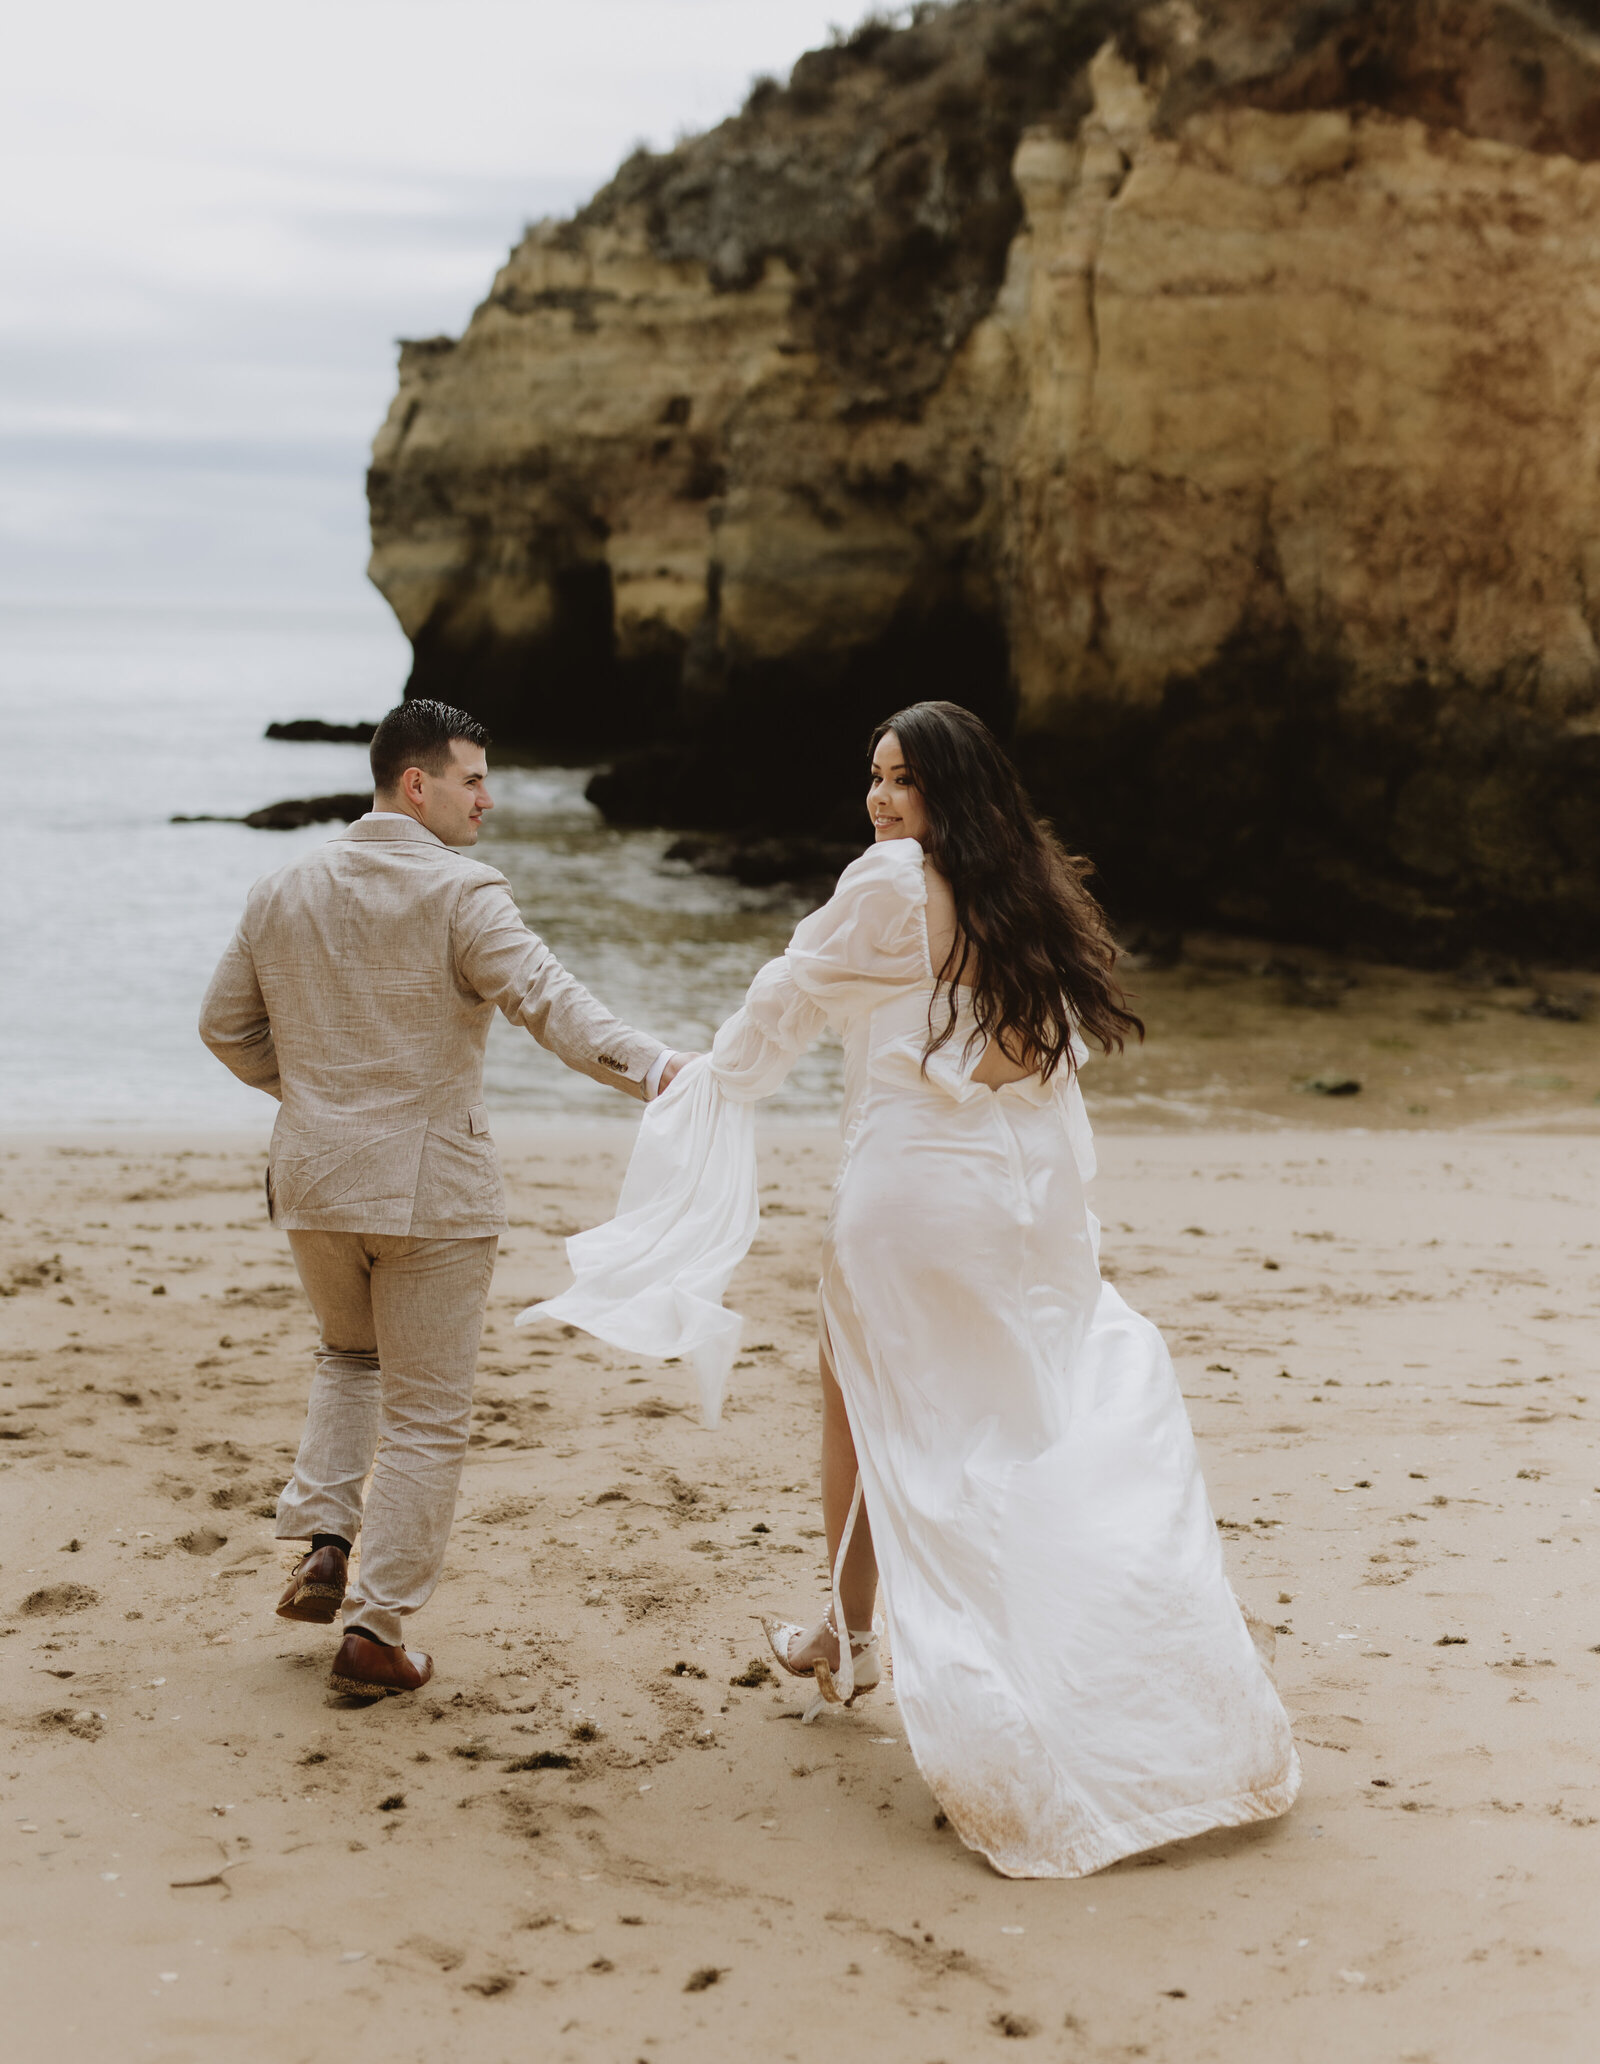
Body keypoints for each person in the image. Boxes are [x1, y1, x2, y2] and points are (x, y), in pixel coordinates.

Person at [527, 699, 1299, 1878]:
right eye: (874, 777)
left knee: (916, 1436)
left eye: (904, 780)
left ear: (950, 790)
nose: (883, 800)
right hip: (1013, 1200)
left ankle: (932, 1660)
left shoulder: (893, 885)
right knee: (885, 1402)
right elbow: (1044, 1049)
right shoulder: (1021, 886)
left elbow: (787, 992)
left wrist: (703, 1080)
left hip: (907, 1203)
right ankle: (840, 1635)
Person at [200, 698, 685, 1698]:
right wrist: (661, 1071)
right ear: (415, 784)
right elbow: (551, 1004)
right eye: (472, 779)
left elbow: (223, 1027)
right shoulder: (462, 892)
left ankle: (326, 1538)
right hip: (430, 1192)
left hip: (315, 1182)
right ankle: (375, 1633)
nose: (488, 800)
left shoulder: (282, 887)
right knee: (426, 1419)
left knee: (347, 1354)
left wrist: (319, 1102)